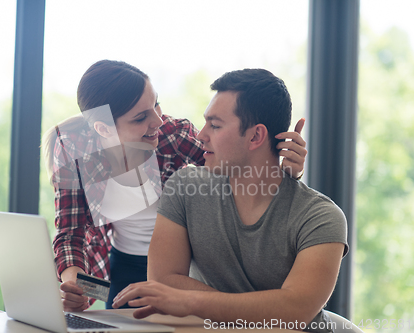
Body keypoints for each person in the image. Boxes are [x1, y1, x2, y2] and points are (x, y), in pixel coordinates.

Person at [42, 60, 307, 312]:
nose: (158, 121)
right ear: (103, 128)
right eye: (140, 117)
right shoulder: (73, 153)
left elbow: (237, 174)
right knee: (116, 320)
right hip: (120, 263)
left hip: (184, 265)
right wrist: (74, 286)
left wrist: (282, 172)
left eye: (156, 104)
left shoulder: (171, 135)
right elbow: (71, 233)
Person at [111, 68, 348, 333]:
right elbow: (164, 283)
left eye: (215, 125)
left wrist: (190, 300)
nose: (200, 135)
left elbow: (294, 311)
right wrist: (262, 308)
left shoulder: (321, 217)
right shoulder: (184, 188)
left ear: (256, 136)